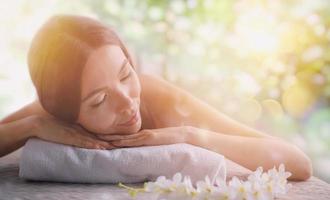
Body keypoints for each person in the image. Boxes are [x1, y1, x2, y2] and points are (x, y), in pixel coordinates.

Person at [0, 15, 312, 181]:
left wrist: (190, 135)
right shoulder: (56, 107)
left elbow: (297, 163)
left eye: (125, 74)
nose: (127, 102)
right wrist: (32, 126)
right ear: (66, 111)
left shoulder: (157, 97)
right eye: (99, 100)